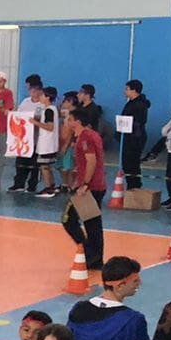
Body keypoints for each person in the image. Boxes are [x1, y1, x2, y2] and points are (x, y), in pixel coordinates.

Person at [62, 109, 107, 274]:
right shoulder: (91, 135)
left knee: (68, 219)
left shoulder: (86, 137)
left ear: (77, 121)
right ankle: (95, 259)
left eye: (69, 118)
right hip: (96, 185)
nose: (66, 120)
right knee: (92, 223)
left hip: (90, 187)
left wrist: (85, 184)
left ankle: (88, 252)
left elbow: (91, 160)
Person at [119, 80, 150, 190]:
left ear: (134, 90)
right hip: (129, 136)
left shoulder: (139, 105)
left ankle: (134, 186)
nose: (124, 91)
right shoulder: (131, 103)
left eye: (127, 89)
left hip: (135, 137)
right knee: (127, 163)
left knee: (132, 163)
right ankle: (131, 185)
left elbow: (138, 122)